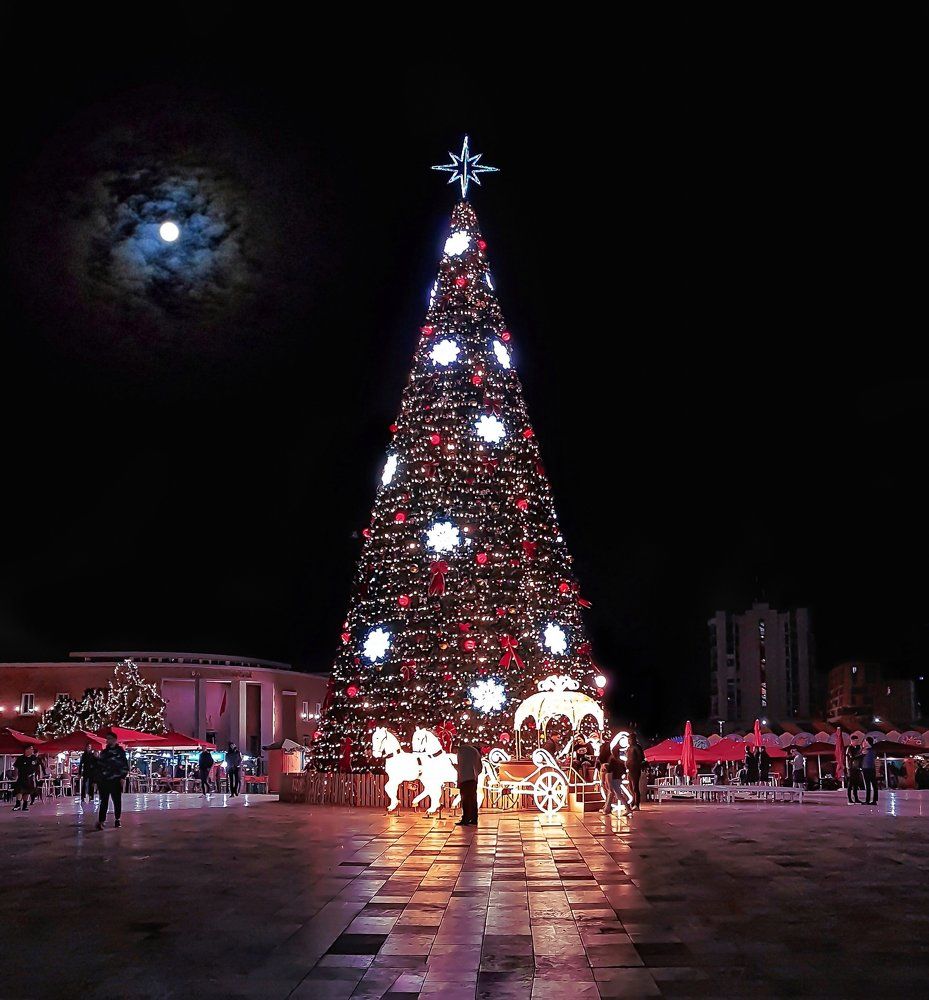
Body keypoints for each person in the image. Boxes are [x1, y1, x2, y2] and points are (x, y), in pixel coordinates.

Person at [96, 732, 129, 829]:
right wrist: (98, 779)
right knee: (104, 801)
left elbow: (125, 766)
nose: (107, 741)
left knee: (117, 801)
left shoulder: (120, 752)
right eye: (107, 739)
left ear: (115, 740)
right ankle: (101, 821)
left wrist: (123, 777)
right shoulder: (104, 752)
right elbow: (99, 766)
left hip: (116, 780)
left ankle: (117, 819)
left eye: (109, 738)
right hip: (105, 781)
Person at [455, 741, 481, 826]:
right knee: (473, 799)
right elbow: (480, 767)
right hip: (473, 778)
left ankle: (465, 818)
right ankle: (474, 818)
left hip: (465, 778)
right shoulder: (475, 751)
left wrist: (456, 770)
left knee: (465, 799)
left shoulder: (462, 751)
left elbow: (461, 765)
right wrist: (476, 774)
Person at [11, 745, 42, 812]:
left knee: (27, 791)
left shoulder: (34, 758)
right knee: (19, 790)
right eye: (31, 749)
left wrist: (39, 775)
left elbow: (38, 767)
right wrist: (15, 776)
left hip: (31, 778)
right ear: (26, 750)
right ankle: (18, 804)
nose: (32, 750)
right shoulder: (21, 758)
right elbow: (16, 767)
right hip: (22, 777)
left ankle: (25, 805)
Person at [607, 747, 627, 815]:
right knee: (616, 794)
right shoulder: (621, 761)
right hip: (618, 779)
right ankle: (607, 808)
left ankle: (628, 809)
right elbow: (624, 771)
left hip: (613, 779)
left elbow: (609, 771)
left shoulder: (612, 760)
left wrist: (609, 781)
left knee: (618, 795)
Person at [626, 734, 644, 810]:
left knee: (635, 787)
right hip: (630, 769)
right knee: (630, 787)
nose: (628, 740)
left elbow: (641, 757)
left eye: (629, 739)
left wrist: (636, 764)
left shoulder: (637, 747)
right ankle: (633, 803)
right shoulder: (629, 748)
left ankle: (636, 804)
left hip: (635, 769)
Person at [860, 737, 878, 805]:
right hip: (870, 768)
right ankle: (873, 800)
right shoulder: (873, 750)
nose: (863, 743)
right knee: (873, 784)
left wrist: (863, 749)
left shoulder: (867, 750)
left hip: (867, 768)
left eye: (864, 741)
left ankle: (869, 800)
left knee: (869, 784)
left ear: (867, 742)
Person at [598, 739, 612, 808]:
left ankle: (607, 803)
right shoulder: (610, 756)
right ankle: (607, 803)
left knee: (605, 786)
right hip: (607, 770)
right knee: (607, 786)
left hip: (603, 768)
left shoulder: (601, 757)